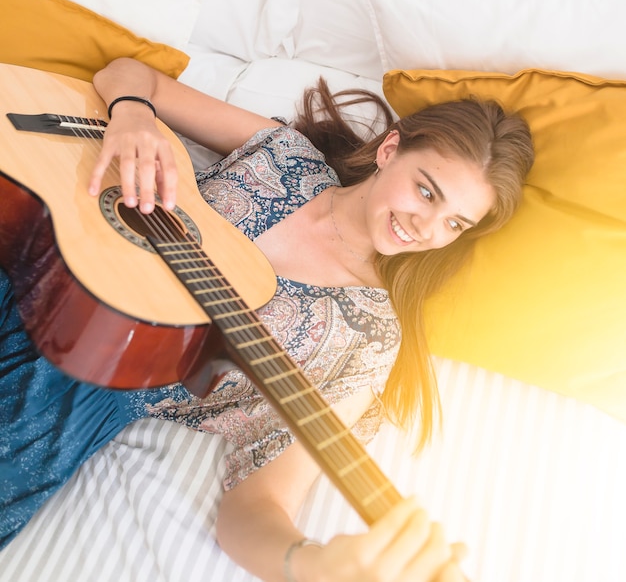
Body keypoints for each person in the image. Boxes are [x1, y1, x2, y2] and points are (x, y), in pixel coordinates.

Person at [0, 57, 534, 582]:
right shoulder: (285, 156)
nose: (427, 227)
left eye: (455, 222)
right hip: (31, 254)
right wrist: (134, 115)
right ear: (389, 149)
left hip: (71, 384)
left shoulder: (365, 338)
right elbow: (130, 76)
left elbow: (261, 502)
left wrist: (310, 565)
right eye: (425, 190)